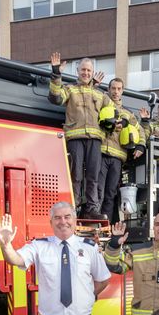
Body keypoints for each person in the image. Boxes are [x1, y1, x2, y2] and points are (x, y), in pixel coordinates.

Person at [49, 52, 112, 218]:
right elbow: (55, 98)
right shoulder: (70, 89)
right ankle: (73, 209)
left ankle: (92, 209)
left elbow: (114, 113)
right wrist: (56, 73)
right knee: (75, 175)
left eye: (89, 71)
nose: (86, 73)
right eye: (83, 70)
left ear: (92, 73)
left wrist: (118, 123)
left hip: (95, 140)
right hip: (75, 138)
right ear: (78, 71)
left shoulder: (101, 95)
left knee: (93, 176)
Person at [98, 77, 143, 220]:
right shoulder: (102, 106)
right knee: (98, 191)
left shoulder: (128, 114)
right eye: (113, 88)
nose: (116, 92)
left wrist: (141, 145)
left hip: (117, 159)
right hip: (101, 154)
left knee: (111, 193)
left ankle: (106, 225)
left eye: (119, 89)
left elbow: (140, 131)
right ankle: (96, 222)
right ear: (108, 89)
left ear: (122, 91)